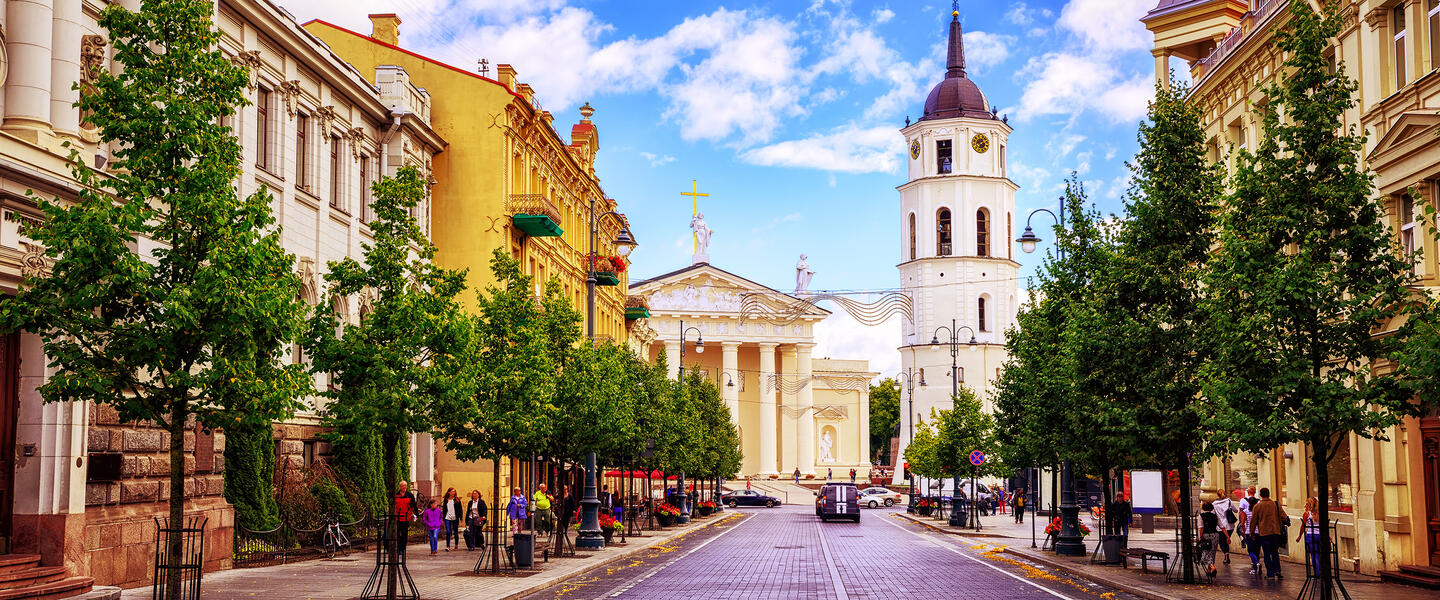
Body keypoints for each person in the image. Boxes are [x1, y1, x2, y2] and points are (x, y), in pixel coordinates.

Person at [1252, 487, 1288, 579]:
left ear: (1260, 495)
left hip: (1264, 533)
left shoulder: (1257, 506)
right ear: (1269, 494)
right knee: (1275, 552)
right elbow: (1284, 516)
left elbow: (1253, 521)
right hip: (1276, 532)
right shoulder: (1276, 504)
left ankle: (1270, 574)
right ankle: (1277, 570)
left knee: (1267, 554)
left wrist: (1251, 533)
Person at [391, 481, 418, 556]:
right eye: (403, 486)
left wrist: (416, 515)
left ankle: (403, 548)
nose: (404, 487)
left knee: (404, 534)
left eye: (405, 486)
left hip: (406, 517)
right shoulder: (396, 495)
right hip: (397, 517)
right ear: (400, 487)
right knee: (397, 534)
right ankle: (398, 548)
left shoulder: (410, 495)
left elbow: (414, 506)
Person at [1297, 497, 1320, 577]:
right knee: (1319, 554)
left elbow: (1303, 526)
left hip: (1311, 535)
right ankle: (1320, 571)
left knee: (1313, 555)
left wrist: (1299, 536)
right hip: (1319, 535)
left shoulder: (1307, 514)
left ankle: (1317, 573)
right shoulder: (1320, 513)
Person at [1211, 492, 1236, 564]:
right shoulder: (1229, 501)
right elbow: (1236, 510)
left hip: (1220, 526)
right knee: (1226, 541)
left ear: (1217, 495)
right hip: (1229, 525)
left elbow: (1213, 514)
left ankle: (1226, 553)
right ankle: (1227, 554)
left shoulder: (1214, 504)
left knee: (1221, 542)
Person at [1198, 501, 1220, 577]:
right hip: (1215, 535)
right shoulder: (1215, 516)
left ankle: (1212, 567)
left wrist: (1200, 537)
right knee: (1212, 552)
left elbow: (1201, 527)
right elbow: (1221, 526)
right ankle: (1209, 571)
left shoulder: (1201, 516)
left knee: (1206, 551)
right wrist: (1227, 536)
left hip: (1206, 535)